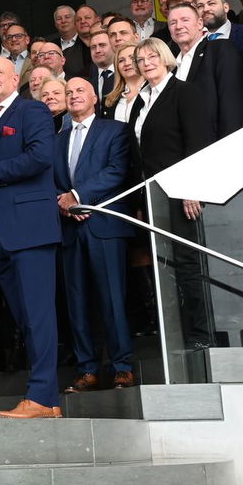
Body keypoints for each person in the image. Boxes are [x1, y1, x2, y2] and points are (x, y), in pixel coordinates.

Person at [0, 56, 62, 419]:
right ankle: (48, 399)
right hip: (0, 232)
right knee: (25, 315)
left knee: (38, 315)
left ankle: (40, 396)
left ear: (13, 78)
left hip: (30, 227)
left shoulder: (31, 110)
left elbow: (40, 157)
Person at [130, 38, 218, 346]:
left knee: (188, 262)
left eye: (153, 56)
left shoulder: (184, 92)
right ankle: (177, 336)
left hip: (181, 193)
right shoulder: (141, 101)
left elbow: (198, 144)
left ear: (166, 58)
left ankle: (201, 336)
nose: (147, 62)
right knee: (163, 266)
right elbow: (141, 155)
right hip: (153, 197)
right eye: (141, 59)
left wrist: (190, 188)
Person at [54, 78, 137, 391]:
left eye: (80, 91)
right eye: (69, 92)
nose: (73, 96)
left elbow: (117, 171)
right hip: (70, 229)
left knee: (113, 298)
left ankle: (122, 367)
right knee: (77, 303)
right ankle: (87, 369)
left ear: (94, 98)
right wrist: (61, 202)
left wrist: (78, 195)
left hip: (105, 226)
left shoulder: (113, 130)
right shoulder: (57, 139)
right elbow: (49, 181)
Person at [166, 2, 243, 137]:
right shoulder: (170, 68)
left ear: (200, 23)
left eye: (185, 20)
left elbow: (233, 105)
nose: (179, 26)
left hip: (218, 146)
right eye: (172, 23)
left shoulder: (220, 49)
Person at [106, 43, 143, 125]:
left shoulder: (153, 92)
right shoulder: (111, 99)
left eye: (132, 58)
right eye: (121, 60)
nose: (127, 63)